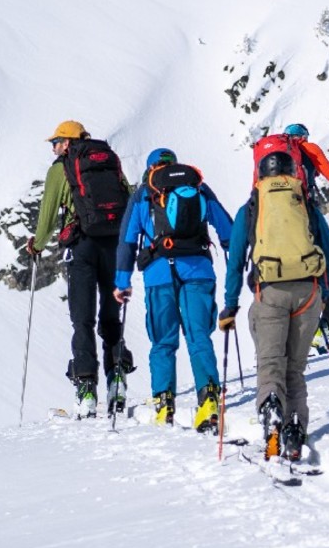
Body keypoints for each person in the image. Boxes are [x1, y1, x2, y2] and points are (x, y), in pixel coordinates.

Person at [220, 148, 329, 459]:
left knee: (271, 364)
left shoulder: (250, 209)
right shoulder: (305, 205)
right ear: (292, 174)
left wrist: (230, 306)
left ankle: (272, 407)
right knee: (296, 370)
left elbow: (235, 263)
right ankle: (294, 429)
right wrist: (323, 301)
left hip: (269, 292)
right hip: (308, 294)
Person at [113, 149, 235, 429]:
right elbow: (225, 226)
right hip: (198, 271)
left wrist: (122, 282)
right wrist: (231, 249)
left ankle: (164, 402)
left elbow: (128, 240)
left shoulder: (144, 193)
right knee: (198, 335)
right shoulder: (197, 186)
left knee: (163, 341)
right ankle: (209, 398)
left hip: (159, 275)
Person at [25, 121, 134, 417]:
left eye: (56, 141)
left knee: (82, 319)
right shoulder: (109, 160)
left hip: (82, 246)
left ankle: (86, 388)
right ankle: (117, 380)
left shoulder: (60, 169)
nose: (53, 147)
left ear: (68, 142)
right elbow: (128, 195)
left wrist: (36, 245)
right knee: (111, 317)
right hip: (114, 244)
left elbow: (47, 217)